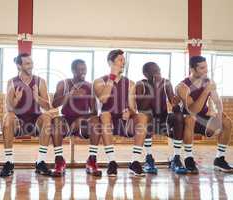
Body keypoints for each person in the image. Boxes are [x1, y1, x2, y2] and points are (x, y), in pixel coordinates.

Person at [93, 49, 148, 177]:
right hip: (107, 121)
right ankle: (112, 162)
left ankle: (134, 162)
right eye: (120, 60)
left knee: (142, 117)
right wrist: (112, 77)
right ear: (110, 62)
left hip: (124, 122)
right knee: (105, 115)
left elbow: (133, 108)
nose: (123, 63)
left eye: (124, 60)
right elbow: (103, 99)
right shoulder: (99, 81)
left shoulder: (130, 83)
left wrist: (130, 112)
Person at [0, 53, 54, 177]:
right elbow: (8, 108)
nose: (31, 66)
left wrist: (37, 97)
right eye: (27, 63)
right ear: (19, 66)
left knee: (47, 118)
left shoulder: (40, 81)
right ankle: (9, 162)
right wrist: (16, 100)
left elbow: (47, 106)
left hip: (35, 122)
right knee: (8, 118)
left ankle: (40, 162)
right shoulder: (12, 82)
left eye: (31, 63)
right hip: (18, 122)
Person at [176, 56, 233, 173]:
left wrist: (218, 114)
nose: (206, 70)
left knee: (226, 121)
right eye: (202, 68)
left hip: (203, 118)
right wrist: (206, 90)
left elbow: (217, 101)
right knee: (190, 118)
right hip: (186, 119)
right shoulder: (182, 87)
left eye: (206, 67)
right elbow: (193, 110)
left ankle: (219, 159)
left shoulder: (208, 81)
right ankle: (188, 158)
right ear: (192, 69)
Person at [52, 59, 102, 177]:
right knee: (56, 121)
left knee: (96, 121)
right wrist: (69, 95)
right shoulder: (63, 84)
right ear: (73, 70)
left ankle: (92, 160)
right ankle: (59, 161)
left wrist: (81, 119)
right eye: (80, 70)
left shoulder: (89, 86)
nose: (83, 72)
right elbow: (54, 104)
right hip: (66, 120)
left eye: (84, 69)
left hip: (83, 121)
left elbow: (95, 112)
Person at [136, 62, 186, 174]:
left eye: (158, 71)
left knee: (178, 117)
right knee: (145, 116)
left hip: (163, 119)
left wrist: (177, 102)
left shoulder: (166, 82)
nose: (157, 74)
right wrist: (153, 88)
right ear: (145, 74)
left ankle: (176, 159)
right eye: (154, 72)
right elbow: (141, 108)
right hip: (148, 120)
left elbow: (174, 105)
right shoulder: (140, 84)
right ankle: (149, 159)